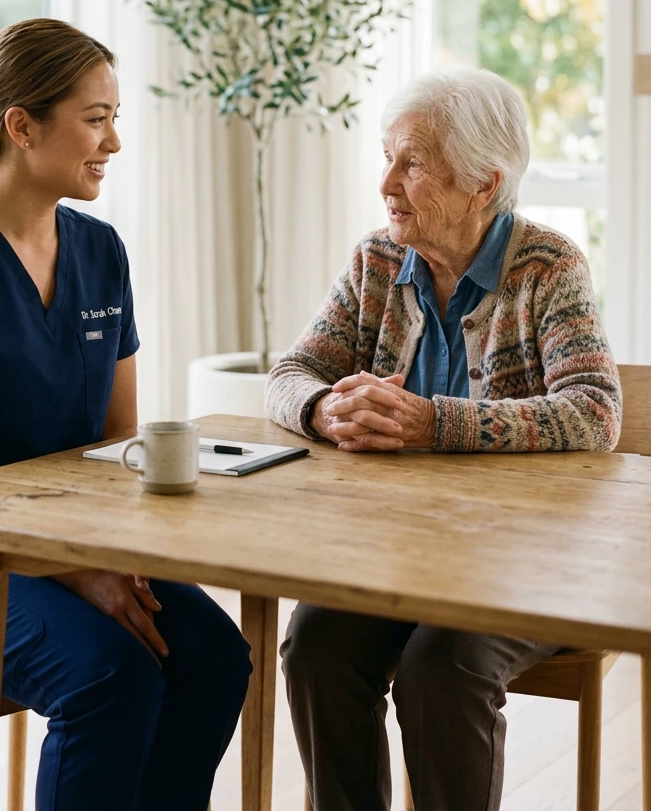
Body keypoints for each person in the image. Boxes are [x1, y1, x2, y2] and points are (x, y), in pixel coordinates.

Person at [0, 18, 251, 811]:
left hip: (71, 540)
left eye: (115, 119)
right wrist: (80, 573)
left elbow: (116, 446)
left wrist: (109, 557)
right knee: (111, 676)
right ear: (22, 125)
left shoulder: (101, 250)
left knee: (214, 655)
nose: (113, 141)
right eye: (95, 119)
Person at [266, 68, 621, 811]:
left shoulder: (548, 268)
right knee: (315, 649)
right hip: (400, 549)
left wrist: (435, 422)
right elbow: (290, 372)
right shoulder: (377, 262)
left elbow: (593, 412)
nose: (387, 182)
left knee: (441, 667)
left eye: (413, 163)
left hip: (526, 557)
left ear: (483, 184)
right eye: (388, 158)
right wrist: (325, 407)